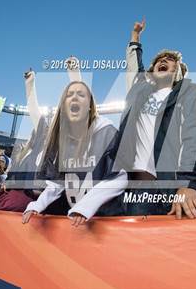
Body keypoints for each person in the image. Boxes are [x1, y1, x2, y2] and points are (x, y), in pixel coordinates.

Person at [115, 18, 196, 219]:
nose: (163, 61)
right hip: (138, 189)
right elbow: (134, 68)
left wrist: (189, 183)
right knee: (136, 247)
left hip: (174, 189)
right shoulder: (139, 91)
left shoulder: (190, 92)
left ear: (178, 72)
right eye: (160, 60)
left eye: (170, 60)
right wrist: (135, 37)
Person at [22, 80, 127, 226]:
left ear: (90, 107)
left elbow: (119, 177)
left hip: (106, 220)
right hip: (77, 220)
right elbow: (57, 182)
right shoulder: (61, 141)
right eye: (69, 94)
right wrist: (38, 205)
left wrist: (86, 206)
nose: (75, 97)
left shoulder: (107, 132)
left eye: (81, 94)